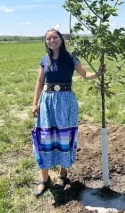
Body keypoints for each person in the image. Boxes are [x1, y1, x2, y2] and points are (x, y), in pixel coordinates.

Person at [32, 28, 105, 197]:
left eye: (54, 37)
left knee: (64, 137)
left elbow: (85, 74)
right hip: (48, 101)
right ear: (46, 42)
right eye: (48, 39)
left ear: (61, 39)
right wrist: (34, 103)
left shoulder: (71, 58)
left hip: (66, 102)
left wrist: (98, 73)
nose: (52, 41)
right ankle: (44, 179)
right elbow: (39, 82)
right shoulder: (44, 60)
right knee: (45, 138)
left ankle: (63, 175)